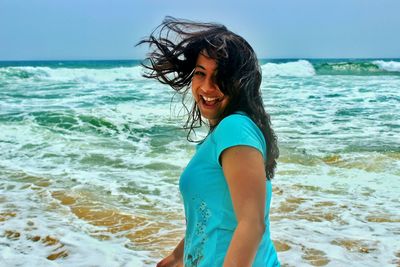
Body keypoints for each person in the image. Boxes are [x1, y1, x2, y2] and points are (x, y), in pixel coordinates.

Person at [138, 16, 280, 267]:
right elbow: (214, 216)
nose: (207, 87)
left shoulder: (235, 128)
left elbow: (252, 224)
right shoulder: (226, 133)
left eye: (220, 77)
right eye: (200, 74)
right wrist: (177, 257)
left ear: (241, 82)